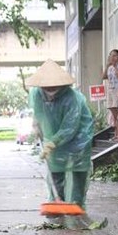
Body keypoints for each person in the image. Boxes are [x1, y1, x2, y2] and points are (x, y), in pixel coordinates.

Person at [27, 59, 94, 209]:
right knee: (55, 168)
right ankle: (57, 201)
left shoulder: (72, 98)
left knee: (78, 170)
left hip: (78, 139)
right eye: (47, 86)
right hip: (53, 137)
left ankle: (77, 204)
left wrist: (53, 142)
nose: (51, 89)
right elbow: (39, 113)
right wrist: (37, 125)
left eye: (54, 86)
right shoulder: (37, 94)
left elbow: (70, 126)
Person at [101, 49, 118, 141]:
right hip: (110, 91)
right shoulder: (110, 67)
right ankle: (117, 133)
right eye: (111, 55)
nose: (112, 57)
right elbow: (103, 77)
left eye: (114, 55)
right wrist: (108, 66)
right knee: (114, 114)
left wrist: (115, 66)